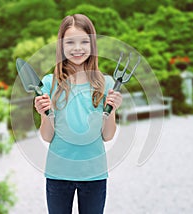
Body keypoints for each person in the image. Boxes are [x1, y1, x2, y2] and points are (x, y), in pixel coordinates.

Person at [34, 14, 122, 214]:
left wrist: (113, 108)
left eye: (84, 41)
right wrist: (45, 114)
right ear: (61, 46)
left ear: (92, 45)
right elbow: (47, 136)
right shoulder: (49, 83)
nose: (77, 48)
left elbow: (107, 136)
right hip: (58, 173)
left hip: (94, 174)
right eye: (70, 42)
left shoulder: (105, 83)